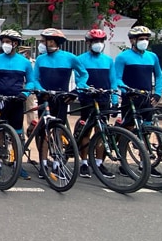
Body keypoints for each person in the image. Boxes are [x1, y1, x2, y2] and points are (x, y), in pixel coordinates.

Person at [32, 28, 88, 179]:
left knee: (58, 131)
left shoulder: (70, 58)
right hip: (45, 99)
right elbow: (35, 79)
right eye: (43, 41)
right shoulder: (40, 59)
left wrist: (76, 91)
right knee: (44, 132)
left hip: (62, 99)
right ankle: (43, 163)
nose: (43, 44)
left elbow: (83, 74)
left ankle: (57, 163)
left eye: (46, 41)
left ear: (55, 42)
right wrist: (41, 90)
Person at [0, 29, 34, 179]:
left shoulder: (24, 62)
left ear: (15, 44)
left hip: (17, 101)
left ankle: (18, 165)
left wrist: (25, 93)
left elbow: (31, 81)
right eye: (3, 42)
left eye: (8, 42)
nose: (5, 44)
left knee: (17, 134)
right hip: (0, 100)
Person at [76, 28, 118, 179]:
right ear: (88, 43)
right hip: (88, 99)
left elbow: (113, 81)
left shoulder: (108, 60)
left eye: (100, 41)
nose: (98, 44)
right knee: (86, 132)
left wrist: (114, 101)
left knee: (101, 132)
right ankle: (84, 163)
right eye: (95, 41)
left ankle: (99, 163)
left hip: (104, 99)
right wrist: (85, 89)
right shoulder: (80, 59)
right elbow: (79, 80)